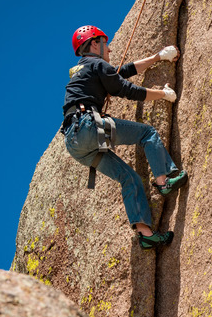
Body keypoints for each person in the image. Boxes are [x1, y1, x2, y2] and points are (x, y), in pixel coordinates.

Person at [61, 25, 188, 250]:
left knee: (129, 179)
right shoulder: (97, 64)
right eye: (105, 44)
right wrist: (163, 94)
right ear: (93, 44)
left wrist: (159, 57)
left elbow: (123, 71)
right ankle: (163, 181)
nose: (109, 49)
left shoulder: (84, 69)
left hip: (75, 142)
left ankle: (146, 234)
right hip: (88, 126)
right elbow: (127, 90)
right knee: (147, 133)